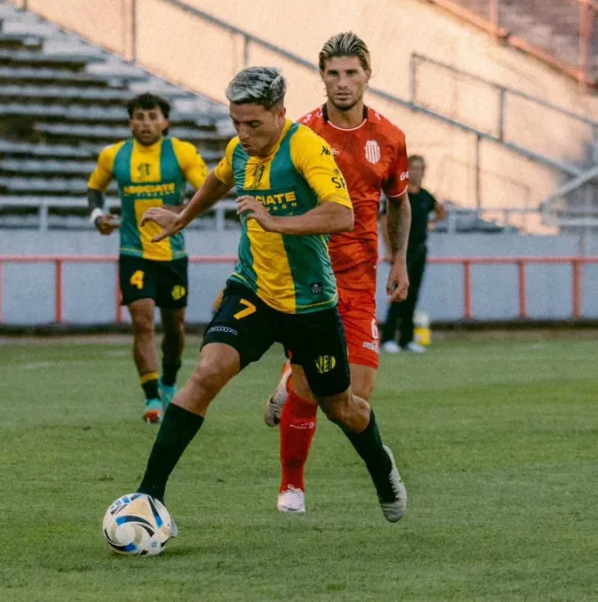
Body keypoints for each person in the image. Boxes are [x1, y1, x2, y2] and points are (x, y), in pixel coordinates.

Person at [129, 66, 406, 524]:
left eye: (253, 124)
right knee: (206, 374)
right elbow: (218, 179)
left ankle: (381, 467)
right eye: (236, 123)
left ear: (280, 114)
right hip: (253, 290)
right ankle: (148, 496)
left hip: (310, 302)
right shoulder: (240, 149)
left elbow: (342, 215)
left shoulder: (306, 148)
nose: (243, 134)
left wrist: (276, 222)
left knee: (341, 407)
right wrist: (182, 217)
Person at [261, 32, 412, 515]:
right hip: (309, 275)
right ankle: (292, 487)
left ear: (368, 75)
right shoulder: (300, 135)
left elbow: (398, 203)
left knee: (352, 399)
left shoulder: (390, 138)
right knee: (312, 388)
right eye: (333, 74)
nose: (342, 82)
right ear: (321, 77)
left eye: (351, 73)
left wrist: (399, 259)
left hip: (360, 277)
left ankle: (292, 374)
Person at [86, 93, 208, 423]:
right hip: (134, 251)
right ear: (130, 122)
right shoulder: (114, 155)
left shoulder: (182, 152)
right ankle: (152, 398)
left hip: (172, 254)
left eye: (153, 117)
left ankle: (168, 382)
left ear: (165, 122)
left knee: (175, 328)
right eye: (139, 117)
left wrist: (180, 212)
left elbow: (207, 190)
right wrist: (97, 216)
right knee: (142, 323)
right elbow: (95, 188)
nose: (146, 123)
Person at [382, 155, 446, 354]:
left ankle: (406, 339)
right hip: (402, 251)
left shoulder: (426, 196)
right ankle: (388, 337)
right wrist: (389, 250)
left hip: (419, 249)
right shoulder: (399, 194)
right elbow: (385, 221)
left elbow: (441, 211)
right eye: (413, 168)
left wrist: (431, 224)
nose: (417, 172)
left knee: (413, 294)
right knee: (398, 294)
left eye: (420, 168)